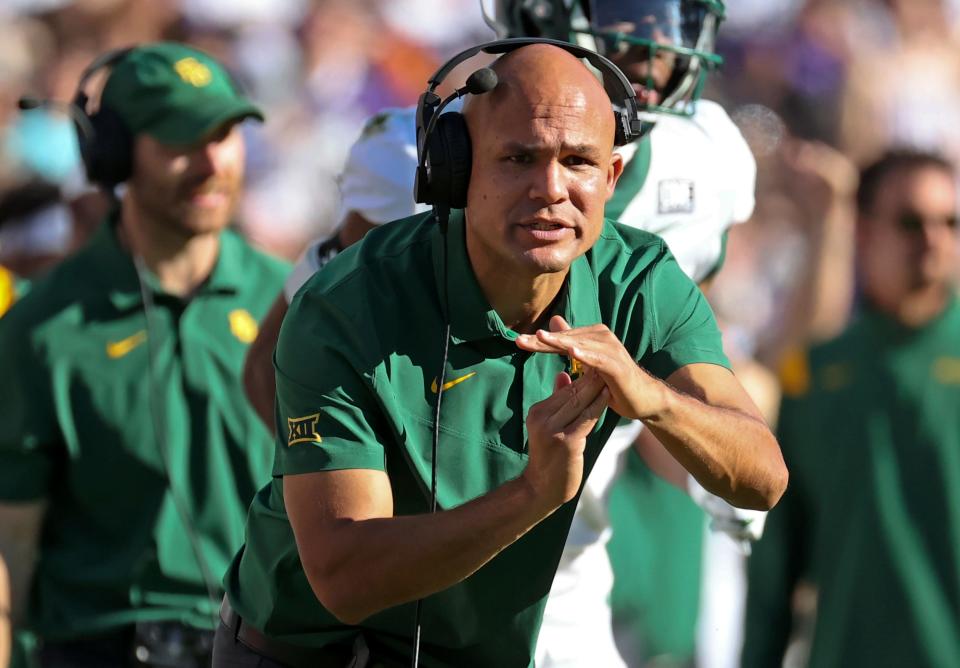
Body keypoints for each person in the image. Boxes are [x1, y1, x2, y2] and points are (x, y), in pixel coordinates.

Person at [215, 42, 786, 668]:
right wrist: (533, 493)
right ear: (455, 170)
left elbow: (761, 478)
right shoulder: (345, 305)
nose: (552, 189)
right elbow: (345, 578)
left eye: (579, 162)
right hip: (309, 651)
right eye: (518, 158)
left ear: (612, 178)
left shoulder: (640, 278)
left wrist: (653, 398)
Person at [0, 42, 288, 667]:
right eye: (182, 139)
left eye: (226, 133)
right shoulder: (40, 327)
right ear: (113, 153)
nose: (213, 162)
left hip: (259, 644)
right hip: (97, 647)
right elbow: (12, 541)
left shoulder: (296, 304)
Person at [742, 148, 960, 668]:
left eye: (950, 221)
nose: (933, 240)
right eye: (910, 222)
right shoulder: (815, 376)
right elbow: (776, 573)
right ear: (863, 232)